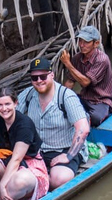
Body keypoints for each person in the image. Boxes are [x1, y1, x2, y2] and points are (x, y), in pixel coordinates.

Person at [17, 57, 90, 190]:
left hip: (64, 149)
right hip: (37, 150)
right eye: (35, 78)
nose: (39, 81)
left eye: (43, 76)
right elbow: (11, 117)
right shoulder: (28, 95)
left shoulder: (66, 96)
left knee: (58, 179)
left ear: (52, 75)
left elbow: (83, 129)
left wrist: (68, 156)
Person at [0, 88, 50, 200]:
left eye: (7, 104)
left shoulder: (24, 124)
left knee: (19, 181)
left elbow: (17, 159)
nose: (4, 109)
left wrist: (3, 185)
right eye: (0, 105)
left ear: (15, 103)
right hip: (5, 159)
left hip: (29, 164)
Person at [60, 25, 112, 126]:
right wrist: (61, 98)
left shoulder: (102, 59)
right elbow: (70, 81)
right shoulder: (77, 58)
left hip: (101, 100)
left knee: (95, 119)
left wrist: (68, 64)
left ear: (96, 43)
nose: (81, 45)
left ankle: (104, 111)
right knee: (62, 110)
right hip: (85, 97)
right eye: (80, 41)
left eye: (86, 42)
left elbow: (85, 82)